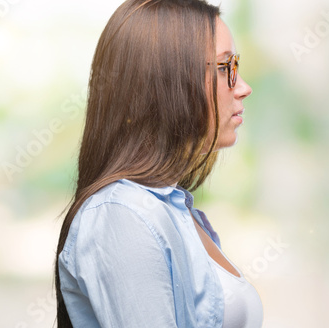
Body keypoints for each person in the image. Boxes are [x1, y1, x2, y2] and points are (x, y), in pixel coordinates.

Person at [54, 0, 263, 327]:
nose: (244, 88)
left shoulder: (176, 209)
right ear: (166, 80)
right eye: (226, 68)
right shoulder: (122, 215)